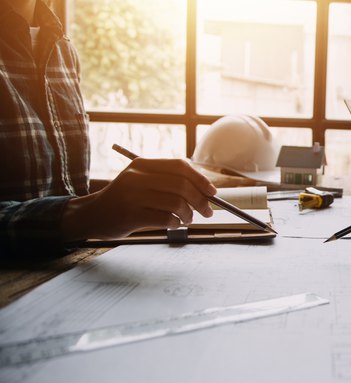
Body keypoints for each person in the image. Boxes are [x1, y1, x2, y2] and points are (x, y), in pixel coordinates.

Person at [0, 0, 215, 256]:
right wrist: (86, 213)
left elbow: (64, 191)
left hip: (71, 276)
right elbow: (79, 213)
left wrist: (123, 203)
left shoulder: (62, 49)